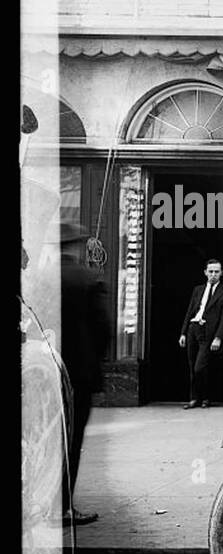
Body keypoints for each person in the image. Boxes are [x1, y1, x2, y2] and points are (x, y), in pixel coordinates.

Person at [60, 222, 111, 526]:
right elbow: (103, 329)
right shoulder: (88, 279)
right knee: (72, 439)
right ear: (77, 246)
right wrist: (95, 359)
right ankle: (64, 507)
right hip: (79, 373)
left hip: (47, 372)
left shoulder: (36, 279)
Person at [178, 258, 223, 409]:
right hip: (193, 329)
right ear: (205, 273)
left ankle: (206, 396)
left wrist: (218, 337)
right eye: (210, 271)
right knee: (191, 365)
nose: (213, 274)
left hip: (208, 333)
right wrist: (183, 333)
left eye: (216, 272)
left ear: (221, 273)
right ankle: (195, 398)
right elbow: (190, 311)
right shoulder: (198, 290)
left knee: (200, 367)